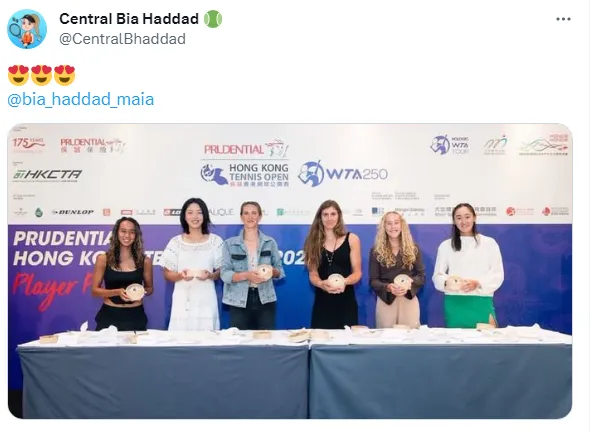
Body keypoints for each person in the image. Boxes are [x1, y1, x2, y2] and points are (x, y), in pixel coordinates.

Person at [432, 203, 504, 328]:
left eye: (467, 217)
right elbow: (437, 275)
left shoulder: (489, 243)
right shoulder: (446, 245)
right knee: (456, 339)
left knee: (486, 338)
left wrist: (478, 284)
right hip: (455, 303)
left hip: (482, 301)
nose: (463, 221)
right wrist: (448, 283)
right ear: (454, 221)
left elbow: (497, 273)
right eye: (459, 218)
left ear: (474, 218)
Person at [161, 198, 224, 331]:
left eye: (199, 212)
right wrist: (180, 275)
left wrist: (211, 275)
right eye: (190, 213)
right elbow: (167, 273)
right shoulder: (175, 242)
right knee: (180, 339)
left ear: (204, 215)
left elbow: (221, 271)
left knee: (208, 337)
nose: (195, 216)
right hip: (182, 300)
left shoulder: (215, 241)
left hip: (206, 300)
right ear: (184, 216)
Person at [220, 201, 285, 330]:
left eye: (254, 213)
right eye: (246, 213)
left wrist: (272, 271)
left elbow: (280, 272)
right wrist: (247, 275)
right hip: (238, 300)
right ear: (241, 217)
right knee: (240, 340)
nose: (250, 217)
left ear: (259, 216)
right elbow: (225, 274)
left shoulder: (270, 242)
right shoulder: (229, 244)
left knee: (266, 339)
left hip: (265, 299)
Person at [303, 200, 362, 329]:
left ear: (339, 216)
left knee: (347, 340)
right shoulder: (312, 242)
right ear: (320, 217)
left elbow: (357, 272)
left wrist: (344, 282)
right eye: (325, 214)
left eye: (333, 214)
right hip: (322, 303)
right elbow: (313, 274)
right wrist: (321, 284)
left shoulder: (352, 239)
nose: (329, 218)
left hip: (347, 302)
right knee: (320, 340)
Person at [91, 217, 153, 331]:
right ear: (116, 233)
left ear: (136, 235)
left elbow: (149, 289)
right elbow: (94, 291)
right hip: (109, 316)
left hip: (135, 316)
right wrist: (117, 292)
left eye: (132, 232)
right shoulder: (103, 259)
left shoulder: (145, 261)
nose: (127, 235)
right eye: (123, 231)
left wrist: (139, 292)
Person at [369, 211, 425, 328]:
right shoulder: (376, 251)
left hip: (408, 299)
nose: (393, 226)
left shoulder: (413, 249)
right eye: (389, 223)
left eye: (396, 222)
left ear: (402, 225)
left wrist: (409, 283)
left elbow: (421, 276)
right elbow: (373, 281)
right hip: (386, 301)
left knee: (410, 336)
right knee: (386, 337)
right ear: (384, 227)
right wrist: (388, 287)